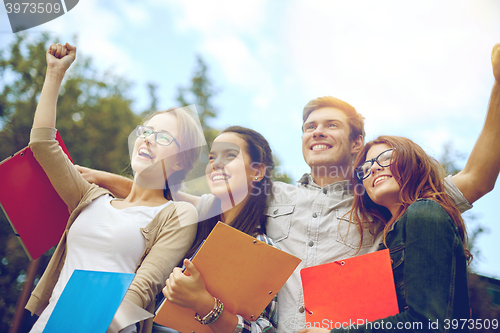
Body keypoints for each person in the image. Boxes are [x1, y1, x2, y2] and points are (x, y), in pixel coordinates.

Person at [79, 44, 500, 333]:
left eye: (330, 124)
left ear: (357, 143)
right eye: (309, 127)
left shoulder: (377, 197)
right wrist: (104, 180)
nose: (317, 132)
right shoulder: (270, 196)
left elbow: (477, 179)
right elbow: (179, 200)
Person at [26, 43, 202, 333]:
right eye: (145, 132)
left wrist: (102, 326)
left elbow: (144, 288)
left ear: (181, 161)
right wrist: (55, 73)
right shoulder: (90, 197)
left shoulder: (177, 214)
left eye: (163, 137)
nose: (147, 139)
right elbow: (43, 145)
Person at [298, 136, 472, 332]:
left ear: (414, 162)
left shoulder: (424, 212)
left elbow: (428, 322)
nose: (373, 169)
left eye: (386, 157)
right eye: (364, 169)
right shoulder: (386, 241)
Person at [157, 126, 278, 332]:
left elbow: (265, 330)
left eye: (230, 155)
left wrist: (204, 304)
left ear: (257, 172)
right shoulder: (189, 224)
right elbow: (151, 197)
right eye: (212, 158)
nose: (215, 164)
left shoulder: (260, 246)